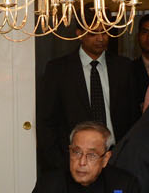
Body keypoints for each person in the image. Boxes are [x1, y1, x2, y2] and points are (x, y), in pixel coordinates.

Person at [5, 122, 143, 193]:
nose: (82, 162)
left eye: (91, 155)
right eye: (76, 152)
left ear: (106, 159)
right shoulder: (51, 182)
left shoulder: (124, 182)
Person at [36, 25, 137, 173]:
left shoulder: (123, 66)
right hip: (75, 159)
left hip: (117, 157)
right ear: (80, 33)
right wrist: (59, 162)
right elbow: (46, 120)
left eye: (105, 33)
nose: (100, 38)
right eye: (94, 33)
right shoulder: (58, 69)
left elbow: (133, 115)